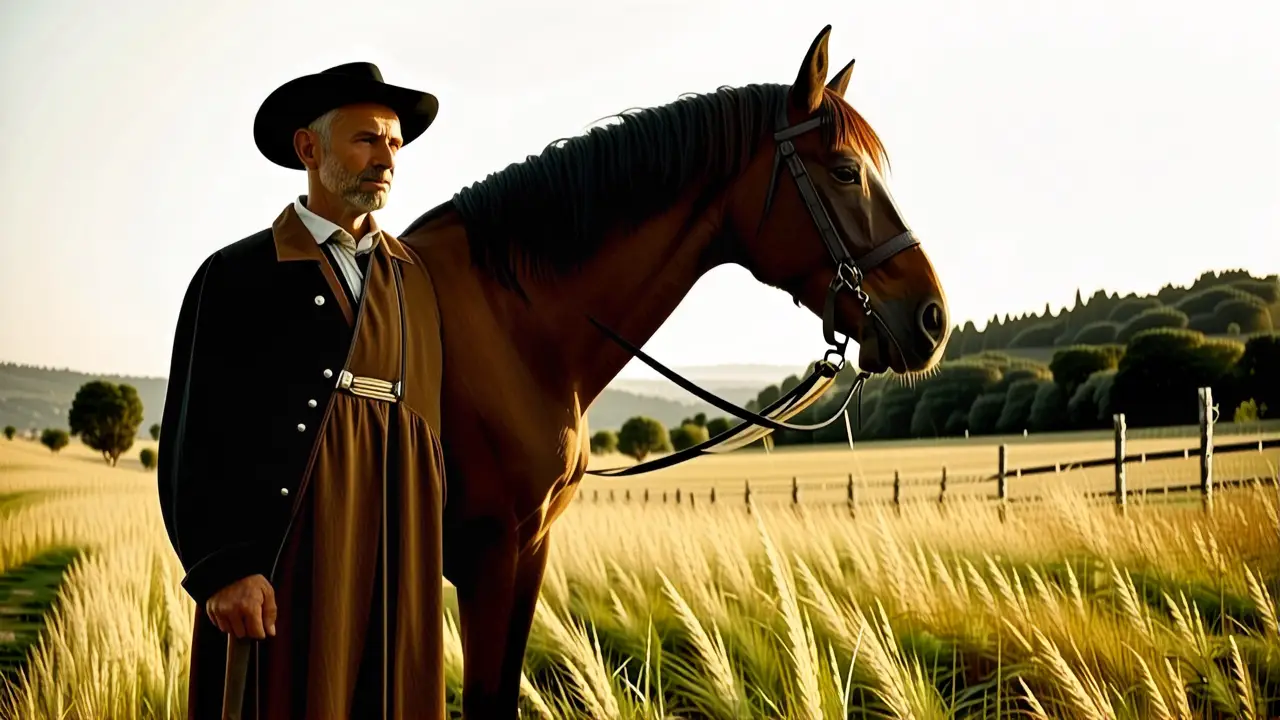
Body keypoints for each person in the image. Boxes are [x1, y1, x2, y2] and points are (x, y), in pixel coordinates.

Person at [157, 61, 449, 719]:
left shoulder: (417, 283)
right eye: (366, 140)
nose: (386, 159)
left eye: (394, 144)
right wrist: (222, 568)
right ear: (309, 148)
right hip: (285, 559)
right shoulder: (236, 275)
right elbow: (193, 437)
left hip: (394, 560)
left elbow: (431, 430)